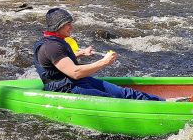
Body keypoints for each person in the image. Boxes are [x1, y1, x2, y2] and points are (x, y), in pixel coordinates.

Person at [32, 8, 164, 101]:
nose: (71, 27)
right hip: (64, 88)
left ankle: (163, 102)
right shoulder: (51, 46)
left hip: (75, 82)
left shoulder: (55, 41)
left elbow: (59, 61)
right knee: (112, 100)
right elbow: (75, 72)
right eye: (67, 24)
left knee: (124, 93)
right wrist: (104, 62)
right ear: (57, 26)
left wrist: (81, 53)